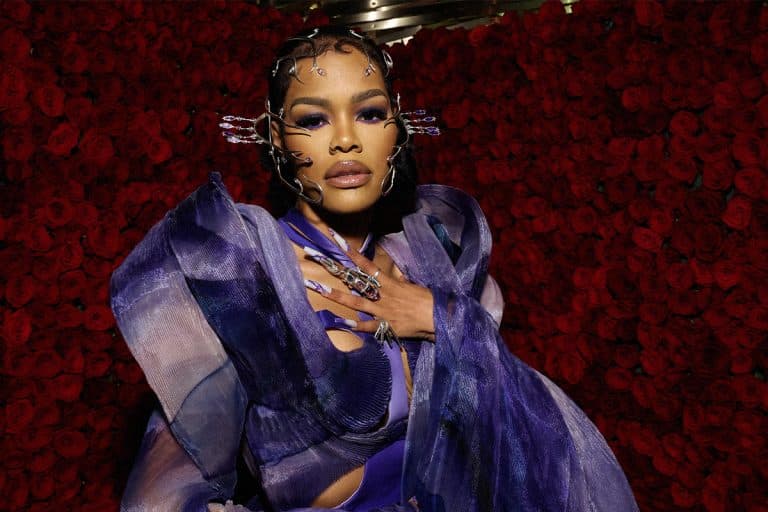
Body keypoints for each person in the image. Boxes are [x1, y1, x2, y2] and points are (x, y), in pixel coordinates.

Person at [110, 26, 638, 512]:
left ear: (397, 129)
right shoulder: (243, 277)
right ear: (276, 137)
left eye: (368, 113)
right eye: (313, 120)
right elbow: (167, 485)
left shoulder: (432, 260)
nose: (346, 139)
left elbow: (521, 437)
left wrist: (440, 317)